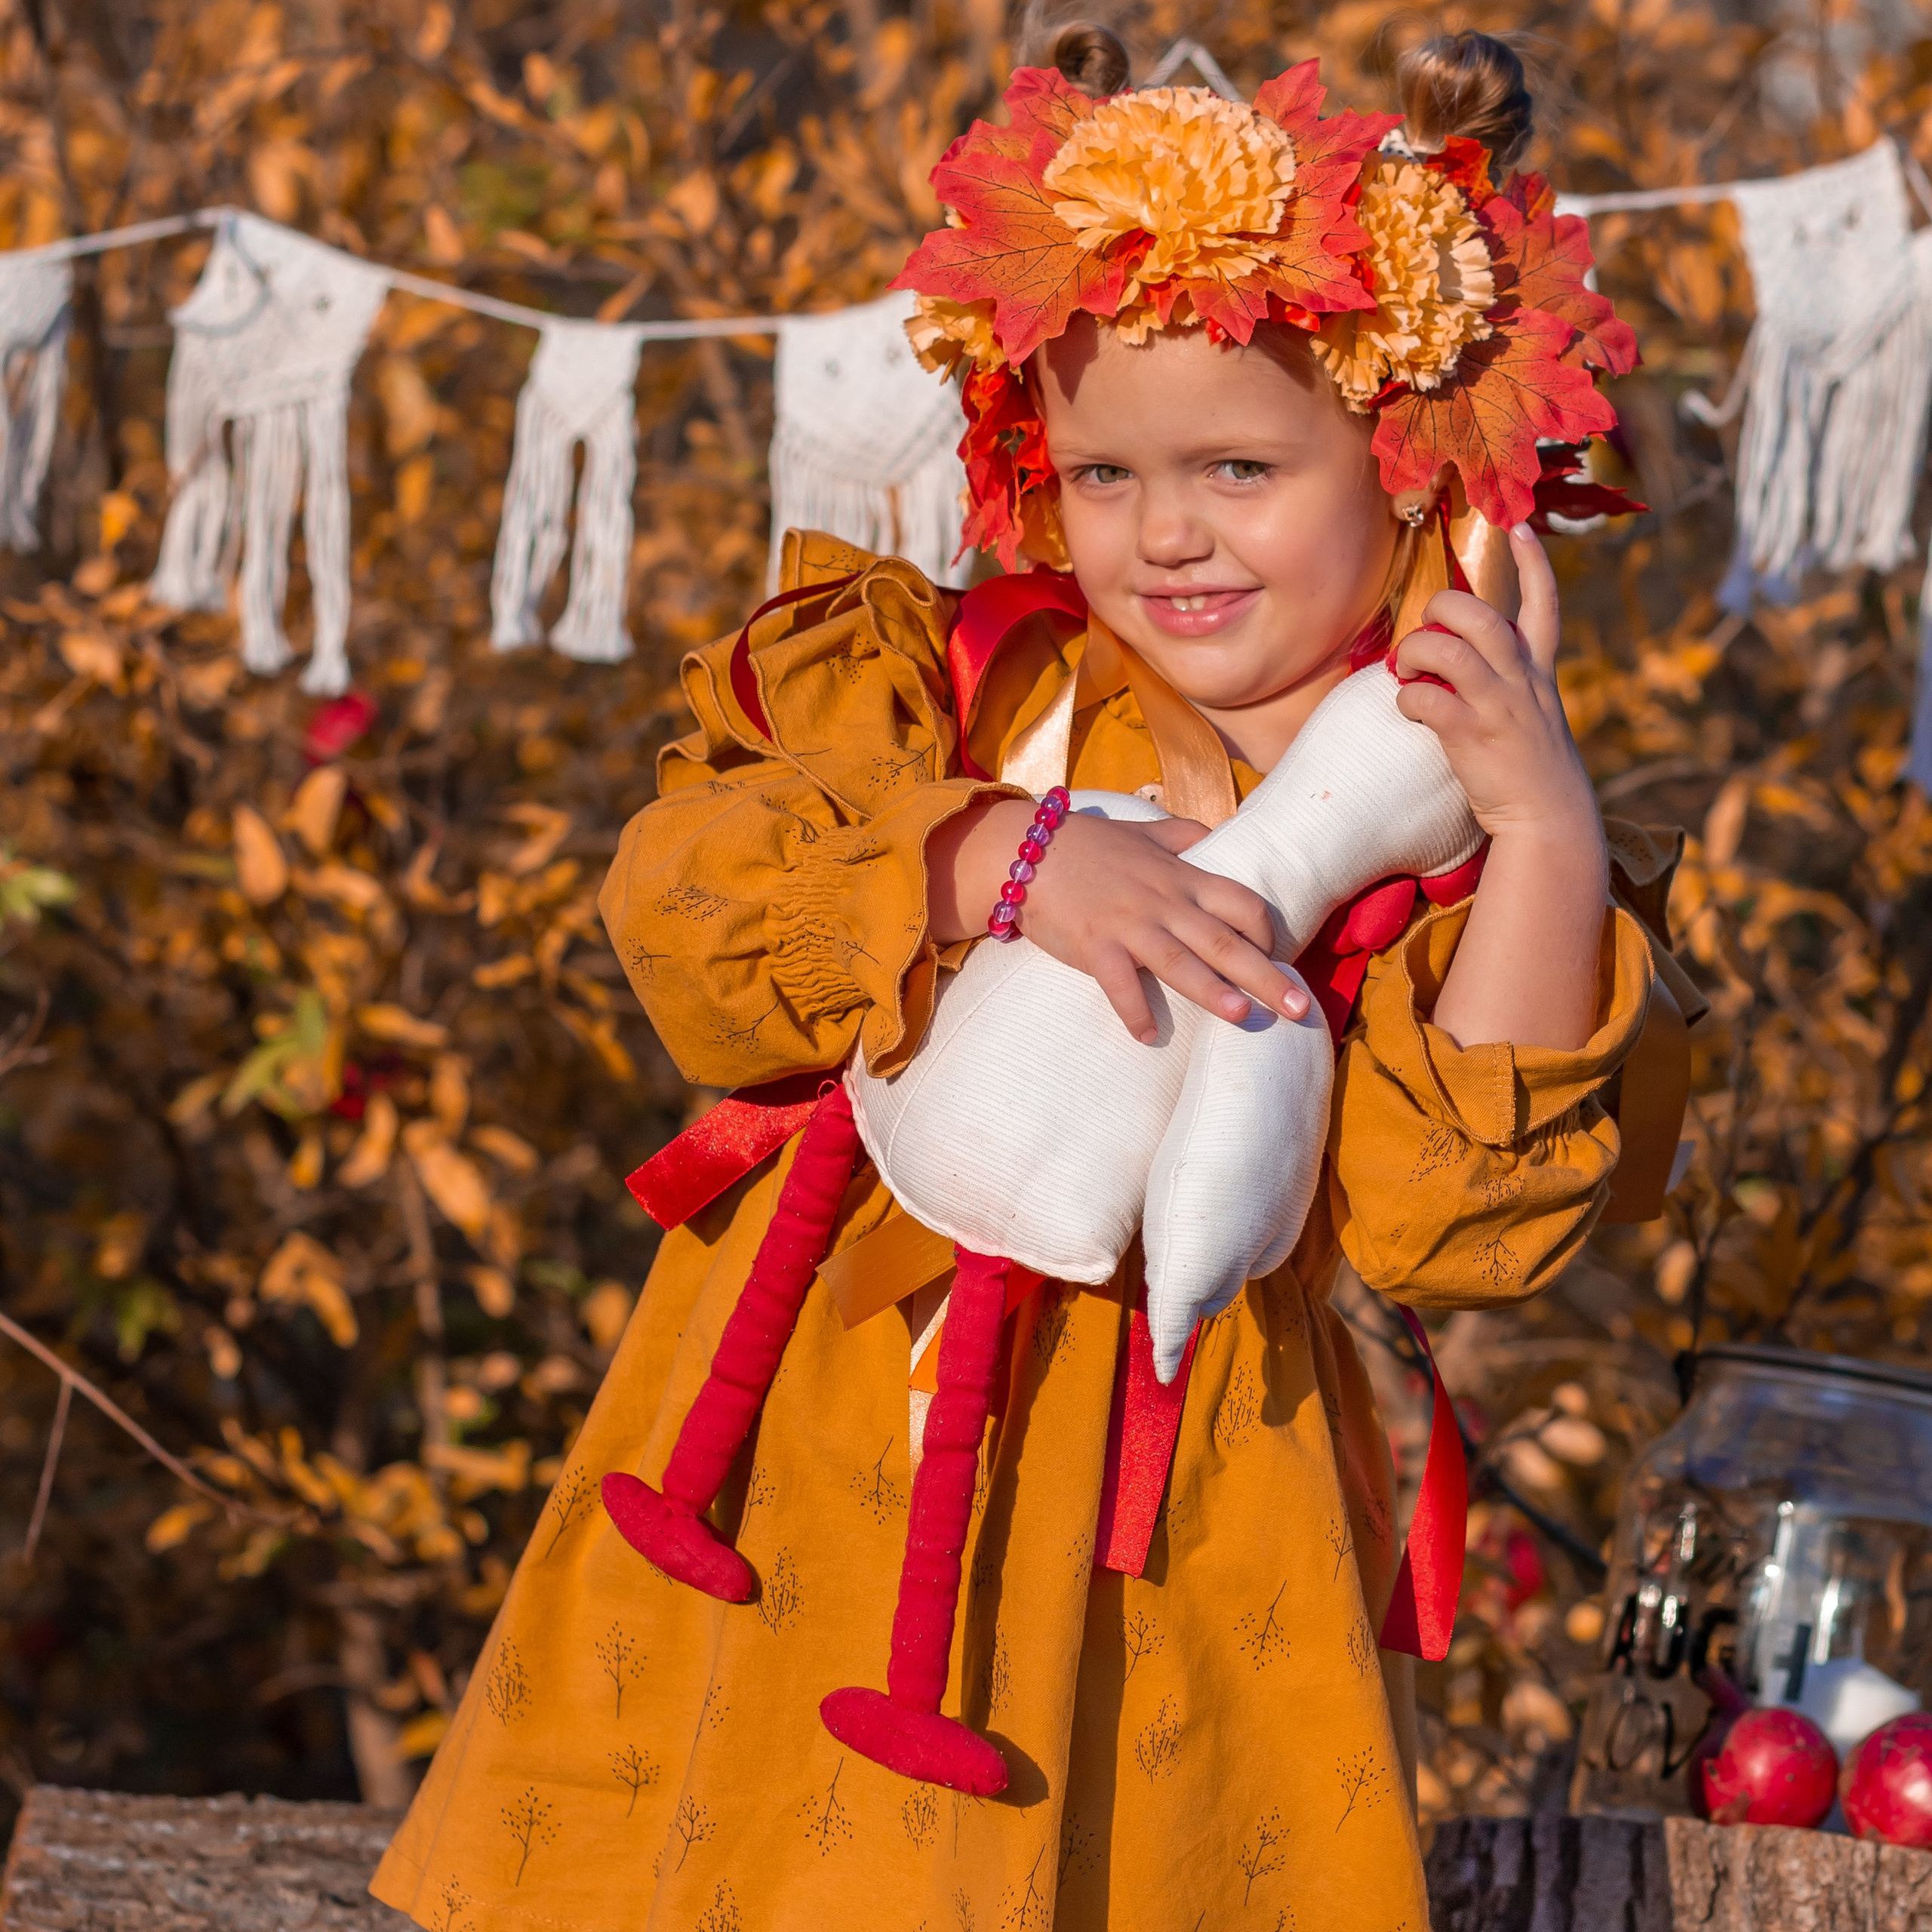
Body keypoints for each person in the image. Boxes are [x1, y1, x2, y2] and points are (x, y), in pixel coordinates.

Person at [373, 26, 1694, 1930]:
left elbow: (1443, 1228)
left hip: (1160, 1537)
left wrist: (1544, 837)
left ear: (1412, 473)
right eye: (1103, 474)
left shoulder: (1437, 846)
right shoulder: (963, 688)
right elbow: (676, 905)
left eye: (1238, 467)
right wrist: (980, 851)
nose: (1164, 532)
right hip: (800, 1452)